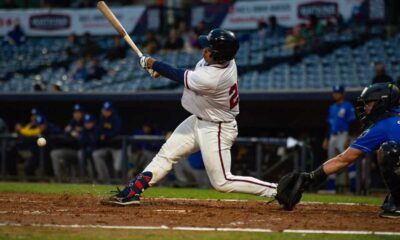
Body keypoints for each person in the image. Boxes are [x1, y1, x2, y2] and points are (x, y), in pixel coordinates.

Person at [105, 28, 277, 205]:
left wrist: (153, 63)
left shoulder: (213, 78)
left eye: (209, 49)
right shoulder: (220, 61)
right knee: (166, 155)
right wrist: (159, 70)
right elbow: (187, 75)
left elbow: (184, 77)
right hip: (198, 120)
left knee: (222, 182)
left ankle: (277, 190)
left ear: (218, 55)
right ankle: (133, 191)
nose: (204, 50)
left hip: (217, 127)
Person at [284, 83, 400, 218]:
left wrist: (311, 177)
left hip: (343, 135)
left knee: (388, 150)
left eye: (369, 103)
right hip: (334, 135)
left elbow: (344, 159)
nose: (366, 108)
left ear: (382, 102)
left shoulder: (382, 126)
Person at [322, 85, 356, 192]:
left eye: (338, 92)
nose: (336, 94)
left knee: (349, 160)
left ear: (343, 94)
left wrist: (349, 138)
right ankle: (331, 188)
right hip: (333, 135)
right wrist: (326, 139)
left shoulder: (348, 106)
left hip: (344, 135)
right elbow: (329, 124)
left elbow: (352, 123)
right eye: (335, 92)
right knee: (330, 161)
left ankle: (355, 188)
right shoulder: (332, 107)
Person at [50, 104, 84, 181]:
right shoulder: (72, 122)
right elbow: (66, 134)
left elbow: (84, 137)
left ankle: (83, 179)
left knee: (81, 154)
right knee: (55, 153)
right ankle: (60, 179)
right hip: (71, 150)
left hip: (81, 149)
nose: (76, 114)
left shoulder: (85, 121)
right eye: (75, 112)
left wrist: (76, 134)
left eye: (78, 112)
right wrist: (71, 133)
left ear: (82, 113)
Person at [92, 102, 122, 183]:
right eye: (104, 110)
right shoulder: (101, 119)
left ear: (111, 111)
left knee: (117, 168)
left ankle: (122, 183)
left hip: (117, 147)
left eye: (108, 110)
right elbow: (98, 132)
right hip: (106, 147)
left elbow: (117, 131)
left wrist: (106, 135)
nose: (106, 112)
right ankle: (104, 179)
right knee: (96, 154)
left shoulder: (116, 118)